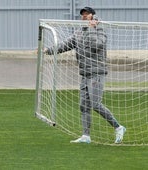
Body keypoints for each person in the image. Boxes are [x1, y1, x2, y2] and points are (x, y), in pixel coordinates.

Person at [44, 7, 126, 144]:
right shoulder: (78, 33)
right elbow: (64, 45)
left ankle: (118, 127)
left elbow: (96, 45)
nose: (84, 17)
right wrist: (48, 50)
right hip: (85, 74)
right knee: (84, 105)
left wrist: (91, 29)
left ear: (93, 16)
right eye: (82, 15)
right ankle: (86, 136)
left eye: (87, 14)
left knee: (96, 104)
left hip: (97, 72)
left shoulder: (100, 30)